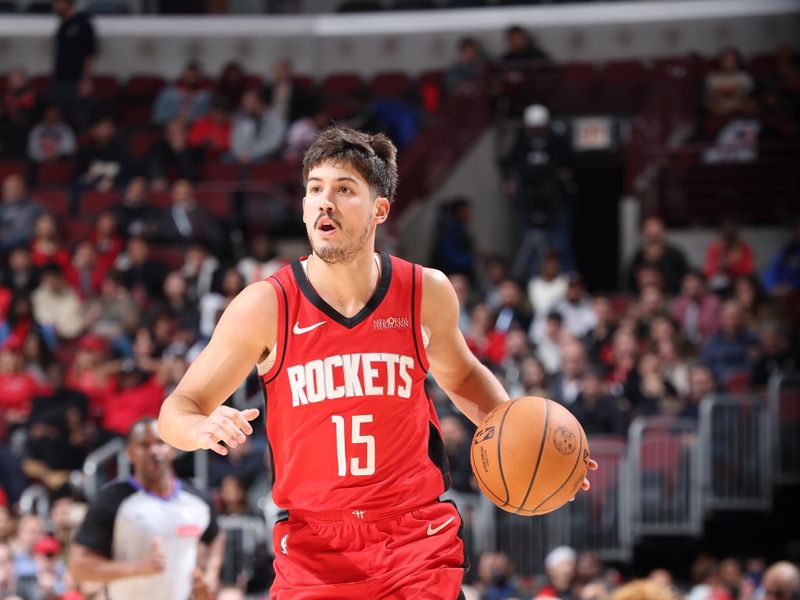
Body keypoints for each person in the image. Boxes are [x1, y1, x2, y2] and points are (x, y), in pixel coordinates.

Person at [157, 127, 596, 598]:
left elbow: (463, 373)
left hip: (415, 538)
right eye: (314, 189)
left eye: (344, 190)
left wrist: (527, 442)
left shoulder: (424, 291)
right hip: (314, 546)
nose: (324, 202)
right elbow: (176, 410)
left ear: (379, 209)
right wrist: (199, 428)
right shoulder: (266, 305)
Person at [68, 418, 224, 600]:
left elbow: (216, 536)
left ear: (173, 449)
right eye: (144, 445)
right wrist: (139, 568)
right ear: (130, 453)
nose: (153, 451)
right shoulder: (111, 500)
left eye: (160, 443)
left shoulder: (199, 500)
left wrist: (211, 574)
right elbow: (79, 567)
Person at [51, 0, 97, 113]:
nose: (54, 6)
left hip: (76, 81)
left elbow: (90, 55)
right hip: (60, 80)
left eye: (57, 3)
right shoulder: (63, 26)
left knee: (76, 115)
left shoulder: (83, 24)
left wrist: (86, 80)